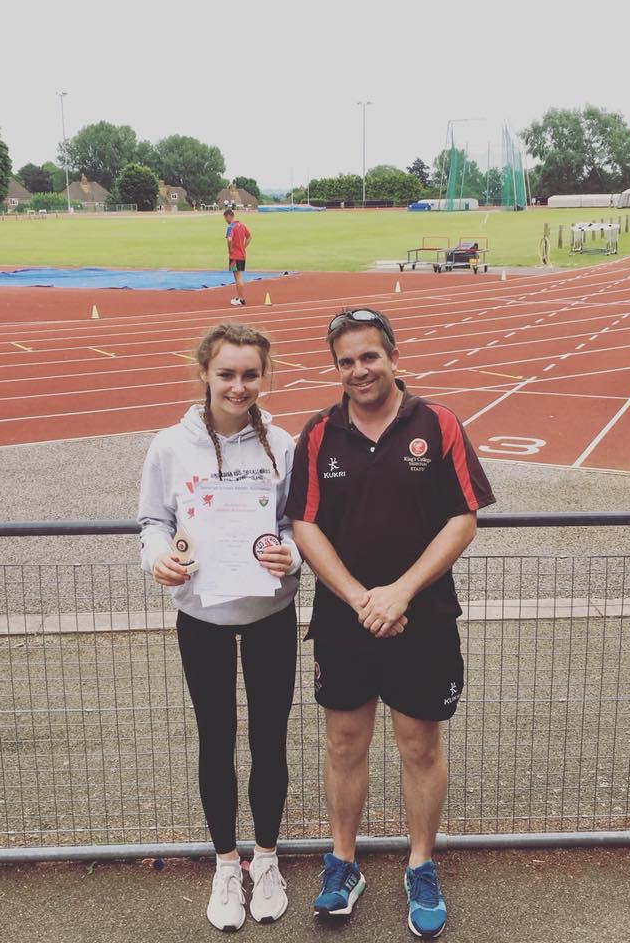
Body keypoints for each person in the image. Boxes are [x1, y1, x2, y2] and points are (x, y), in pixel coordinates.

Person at [286, 308, 495, 939]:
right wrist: (362, 600)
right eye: (346, 361)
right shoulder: (319, 433)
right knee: (344, 744)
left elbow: (463, 519)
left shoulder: (438, 423)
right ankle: (342, 863)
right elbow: (304, 524)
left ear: (393, 357)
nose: (359, 371)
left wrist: (399, 593)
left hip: (423, 617)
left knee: (419, 746)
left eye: (369, 356)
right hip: (344, 617)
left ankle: (421, 865)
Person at [138, 322, 301, 932]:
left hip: (269, 614)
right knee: (216, 739)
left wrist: (291, 554)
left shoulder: (280, 444)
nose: (238, 386)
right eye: (226, 373)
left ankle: (268, 858)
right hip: (202, 615)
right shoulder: (170, 446)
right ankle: (227, 865)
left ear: (265, 376)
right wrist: (157, 557)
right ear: (204, 373)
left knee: (269, 740)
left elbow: (295, 523)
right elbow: (153, 521)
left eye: (250, 374)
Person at [224, 208, 252, 306]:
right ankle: (239, 296)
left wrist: (230, 250)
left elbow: (229, 239)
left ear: (228, 216)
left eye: (225, 218)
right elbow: (249, 237)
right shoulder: (242, 225)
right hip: (242, 255)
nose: (226, 221)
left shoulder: (231, 227)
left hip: (234, 256)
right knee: (238, 276)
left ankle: (241, 299)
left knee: (237, 277)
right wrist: (243, 247)